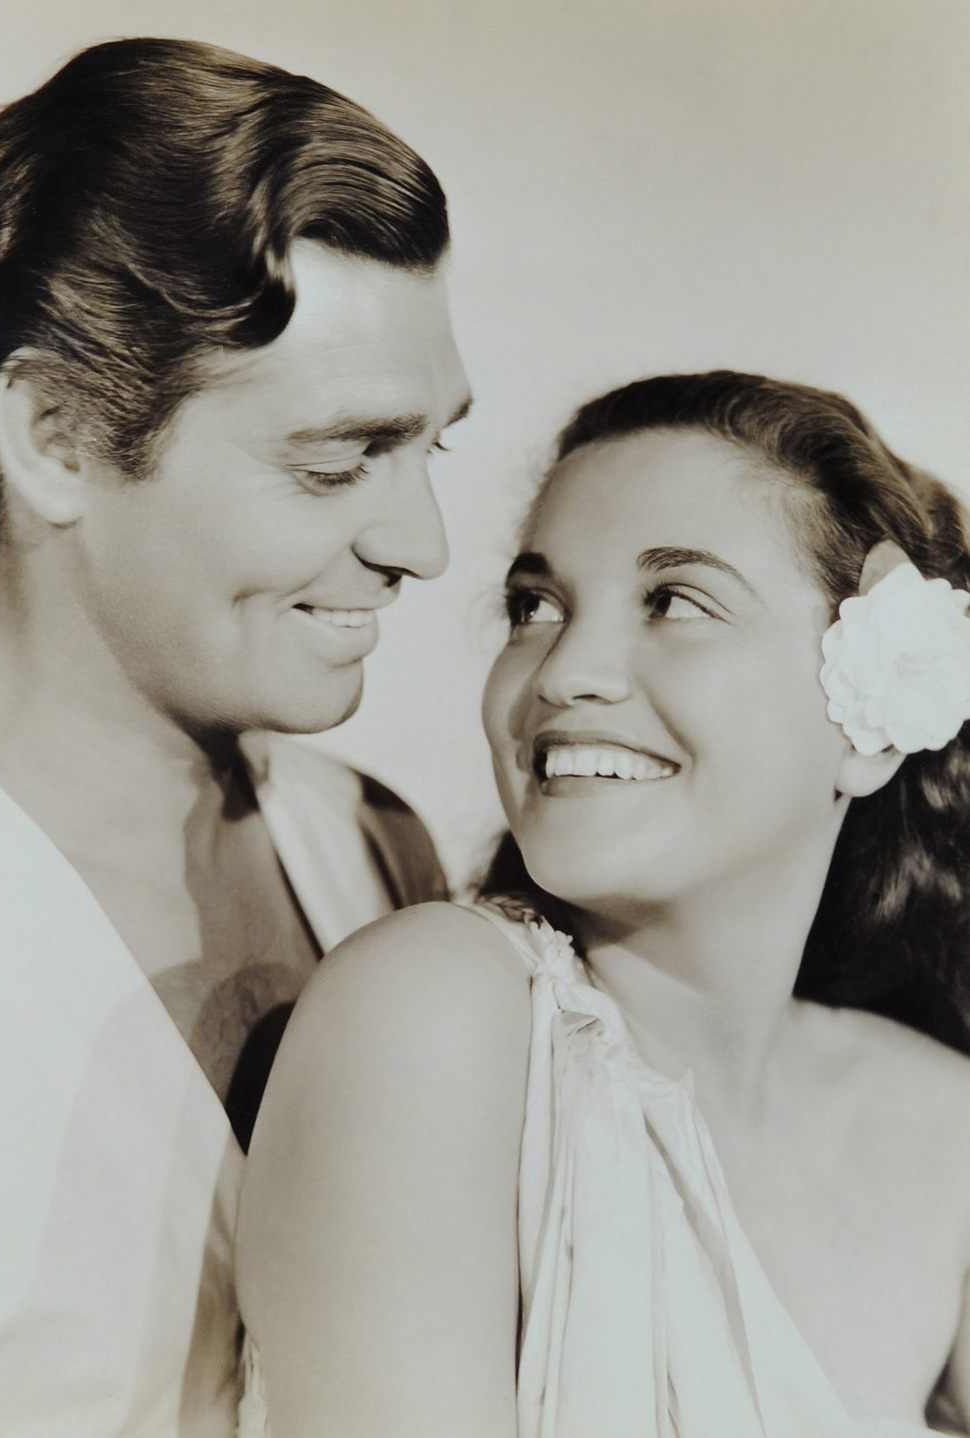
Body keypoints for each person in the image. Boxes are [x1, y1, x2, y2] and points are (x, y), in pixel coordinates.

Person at [0, 36, 470, 1436]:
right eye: (337, 460)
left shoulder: (381, 850)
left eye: (431, 448)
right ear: (57, 435)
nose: (422, 543)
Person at [237, 371, 970, 1437]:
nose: (565, 671)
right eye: (535, 607)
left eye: (676, 602)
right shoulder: (431, 1011)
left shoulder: (943, 1122)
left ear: (871, 722)